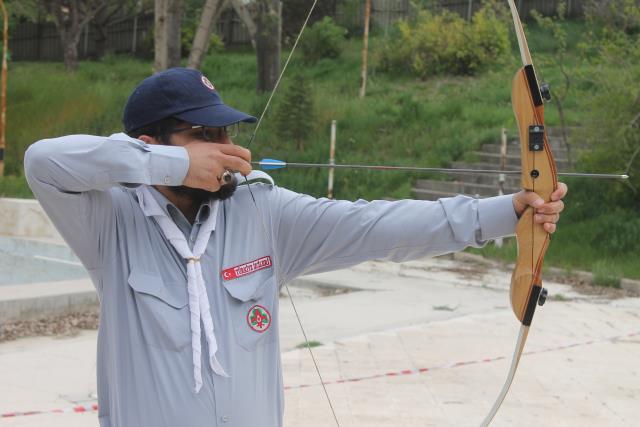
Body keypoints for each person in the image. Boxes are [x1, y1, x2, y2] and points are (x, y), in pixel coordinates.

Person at [24, 67, 567, 427]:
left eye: (227, 134)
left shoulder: (261, 209)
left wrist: (509, 212)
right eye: (205, 136)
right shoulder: (108, 218)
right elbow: (44, 161)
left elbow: (376, 226)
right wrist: (172, 166)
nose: (226, 148)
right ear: (151, 146)